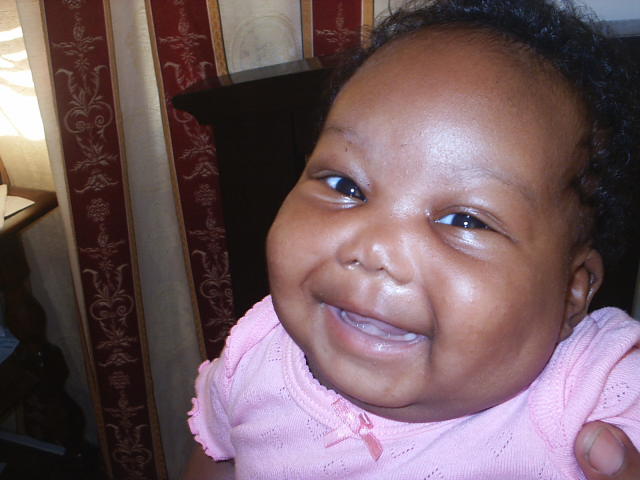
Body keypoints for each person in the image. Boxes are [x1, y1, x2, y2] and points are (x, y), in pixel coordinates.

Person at [182, 0, 640, 478]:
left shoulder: (590, 390)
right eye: (345, 185)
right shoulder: (256, 353)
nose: (376, 249)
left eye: (466, 221)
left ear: (570, 292)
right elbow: (218, 458)